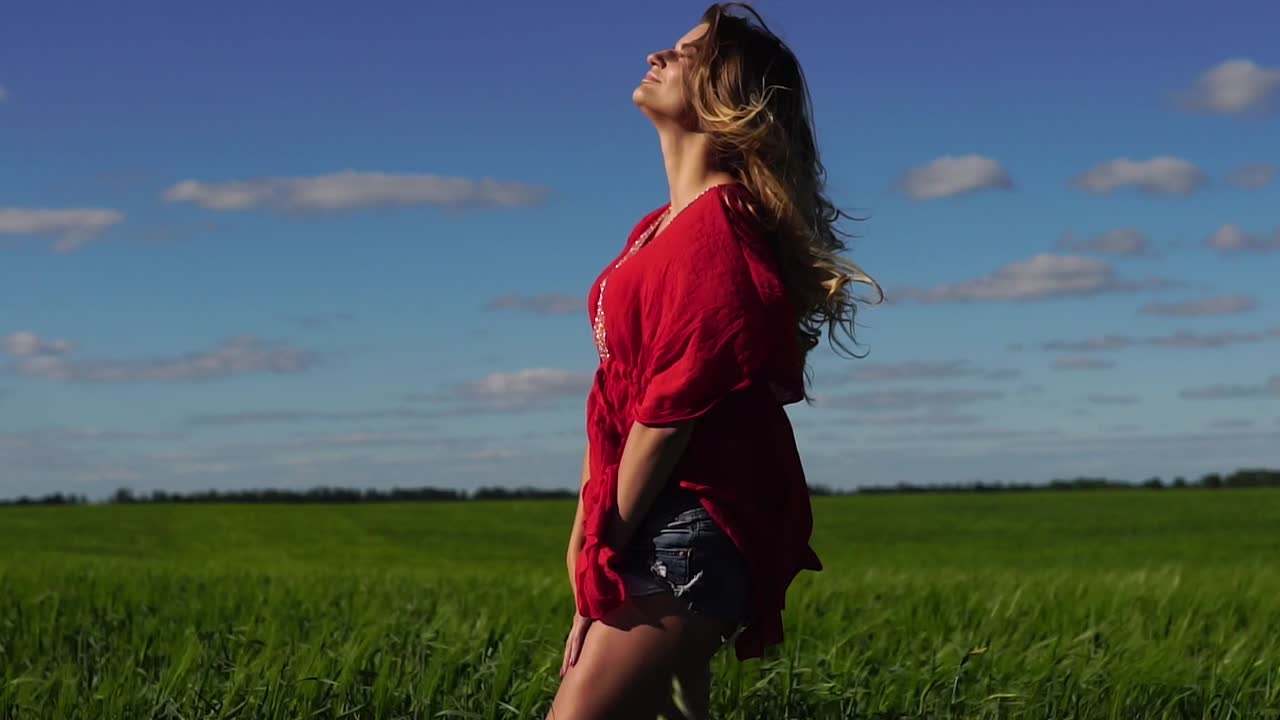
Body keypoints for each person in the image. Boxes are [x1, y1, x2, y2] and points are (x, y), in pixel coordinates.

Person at [547, 3, 881, 718]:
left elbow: (670, 412)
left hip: (689, 523)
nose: (656, 57)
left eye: (688, 54)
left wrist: (603, 543)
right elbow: (617, 394)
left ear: (726, 94)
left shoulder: (720, 228)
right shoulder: (656, 230)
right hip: (646, 515)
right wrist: (587, 535)